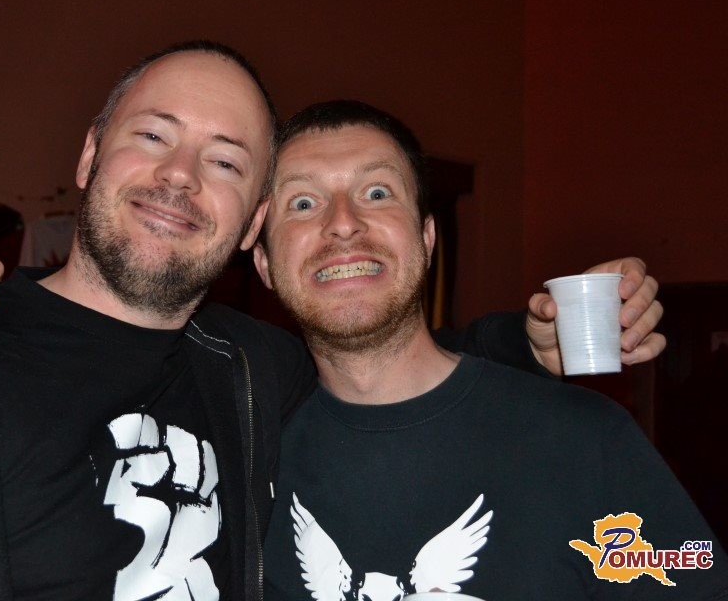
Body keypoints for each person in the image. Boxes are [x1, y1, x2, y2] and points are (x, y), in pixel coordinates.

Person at [0, 41, 662, 601]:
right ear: (90, 153)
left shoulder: (253, 371)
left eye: (227, 161)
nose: (181, 176)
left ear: (247, 232)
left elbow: (389, 357)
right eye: (153, 135)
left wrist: (528, 341)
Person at [252, 100, 726, 599]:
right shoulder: (246, 455)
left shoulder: (585, 441)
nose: (344, 223)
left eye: (376, 192)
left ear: (427, 239)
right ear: (264, 263)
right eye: (302, 203)